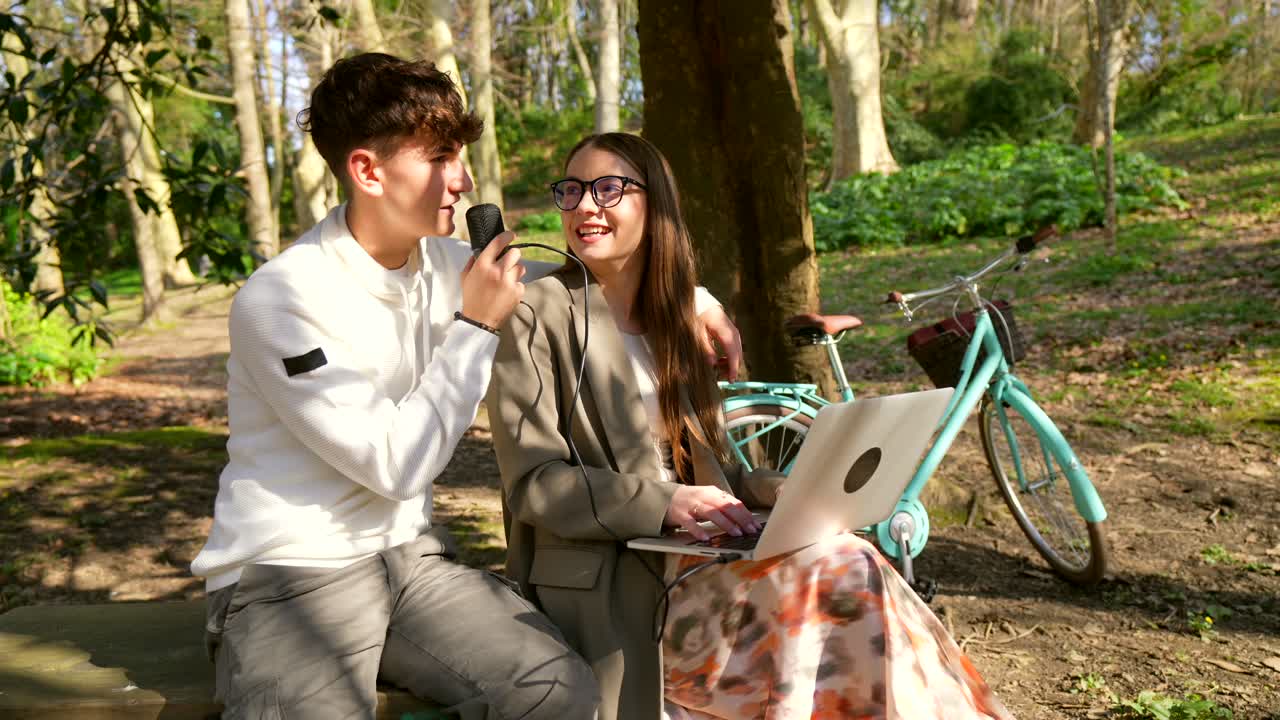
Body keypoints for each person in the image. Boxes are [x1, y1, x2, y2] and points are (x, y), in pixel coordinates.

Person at [190, 54, 744, 720]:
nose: (463, 178)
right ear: (368, 170)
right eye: (440, 157)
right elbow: (394, 467)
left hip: (411, 564)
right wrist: (476, 323)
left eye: (460, 154)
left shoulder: (449, 264)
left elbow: (595, 274)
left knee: (560, 693)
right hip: (289, 576)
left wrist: (695, 298)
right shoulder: (282, 299)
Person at [487, 132, 1015, 720]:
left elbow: (723, 471)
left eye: (609, 188)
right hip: (620, 581)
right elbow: (535, 482)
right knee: (836, 576)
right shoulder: (537, 312)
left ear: (657, 205)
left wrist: (782, 492)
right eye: (572, 190)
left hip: (705, 562)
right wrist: (667, 503)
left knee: (850, 561)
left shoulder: (676, 323)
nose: (586, 205)